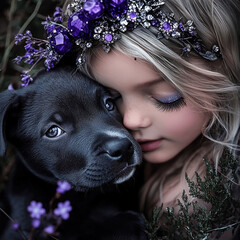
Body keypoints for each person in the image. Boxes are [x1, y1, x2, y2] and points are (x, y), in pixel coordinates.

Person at [12, 0, 240, 238]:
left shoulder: (226, 192)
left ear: (225, 75)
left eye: (167, 97)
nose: (129, 122)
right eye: (113, 98)